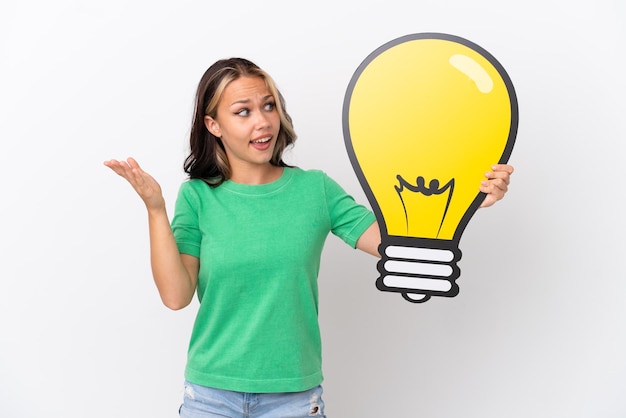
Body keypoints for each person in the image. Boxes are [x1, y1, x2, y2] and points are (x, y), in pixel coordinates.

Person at [104, 57, 514, 417]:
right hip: (211, 397)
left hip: (294, 399)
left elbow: (395, 241)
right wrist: (155, 208)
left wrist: (469, 201)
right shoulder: (197, 196)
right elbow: (176, 296)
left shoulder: (314, 190)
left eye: (268, 106)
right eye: (243, 111)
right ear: (214, 125)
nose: (263, 121)